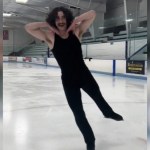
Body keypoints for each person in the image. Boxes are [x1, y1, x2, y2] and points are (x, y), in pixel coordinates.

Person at [25, 6, 123, 150]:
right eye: (57, 18)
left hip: (84, 75)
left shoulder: (76, 32)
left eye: (63, 17)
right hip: (68, 80)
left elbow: (93, 13)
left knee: (98, 97)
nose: (61, 20)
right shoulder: (51, 37)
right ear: (54, 20)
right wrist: (46, 24)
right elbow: (28, 27)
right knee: (78, 112)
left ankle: (108, 113)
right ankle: (90, 141)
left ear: (68, 19)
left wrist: (76, 20)